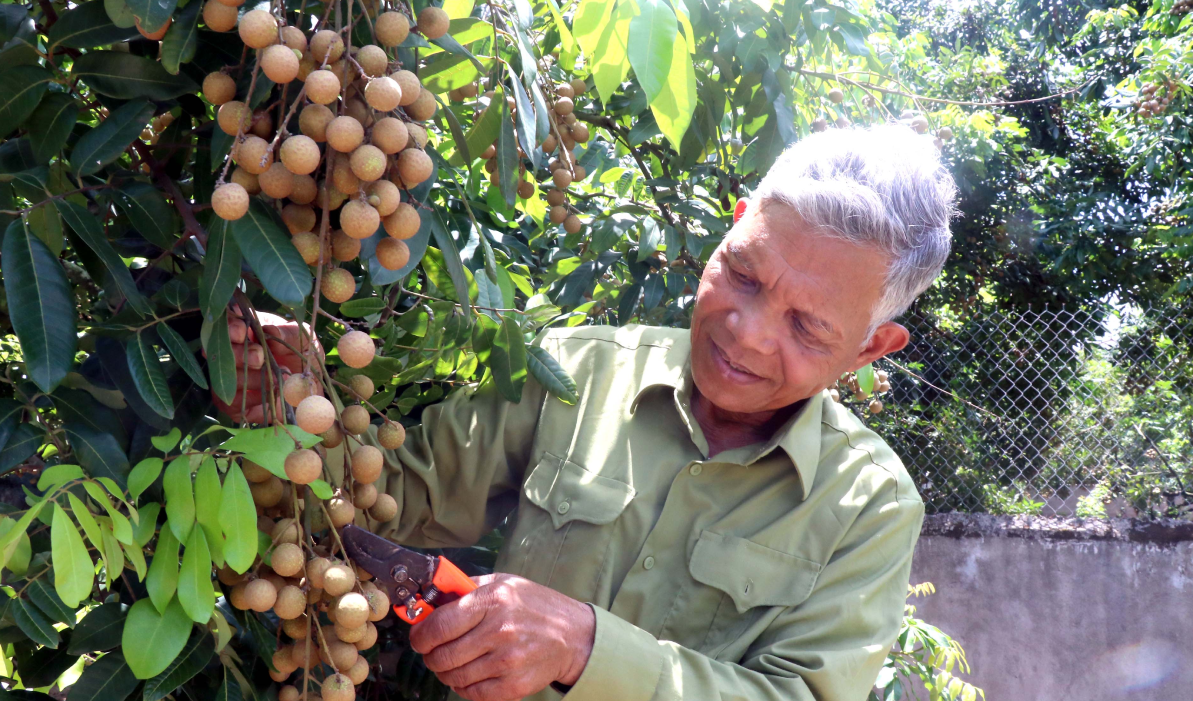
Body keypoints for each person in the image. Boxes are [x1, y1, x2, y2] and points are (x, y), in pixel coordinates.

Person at [219, 122, 958, 701]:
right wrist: (282, 415)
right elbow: (378, 512)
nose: (747, 332)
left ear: (871, 347)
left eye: (807, 328)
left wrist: (584, 646)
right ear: (731, 225)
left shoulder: (870, 505)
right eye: (740, 273)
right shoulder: (575, 370)